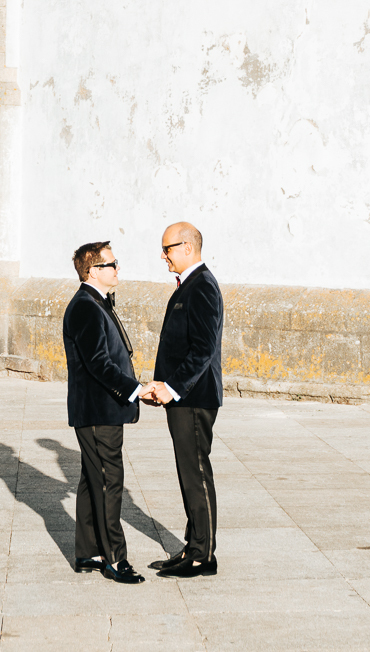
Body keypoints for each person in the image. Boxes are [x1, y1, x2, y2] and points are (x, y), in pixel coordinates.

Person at [140, 221, 224, 578]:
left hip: (193, 397)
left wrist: (171, 387)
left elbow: (203, 350)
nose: (163, 255)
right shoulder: (189, 286)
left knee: (196, 473)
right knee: (188, 472)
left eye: (168, 248)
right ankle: (194, 546)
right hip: (182, 397)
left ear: (188, 247)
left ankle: (203, 555)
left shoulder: (202, 286)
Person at [62, 240, 145, 584]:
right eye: (112, 263)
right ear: (93, 270)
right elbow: (98, 363)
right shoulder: (85, 306)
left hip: (100, 409)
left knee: (91, 479)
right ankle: (114, 559)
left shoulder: (95, 302)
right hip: (99, 411)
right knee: (111, 481)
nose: (118, 268)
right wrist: (135, 389)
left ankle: (87, 552)